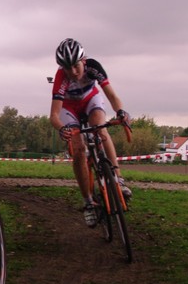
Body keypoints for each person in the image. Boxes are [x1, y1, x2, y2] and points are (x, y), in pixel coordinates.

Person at [49, 38, 132, 228]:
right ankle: (88, 202)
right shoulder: (61, 77)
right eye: (67, 68)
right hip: (69, 108)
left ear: (83, 60)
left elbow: (112, 95)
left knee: (101, 129)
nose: (73, 72)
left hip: (90, 100)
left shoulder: (93, 67)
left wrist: (120, 111)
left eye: (76, 66)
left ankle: (118, 179)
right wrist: (62, 128)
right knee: (78, 149)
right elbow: (54, 115)